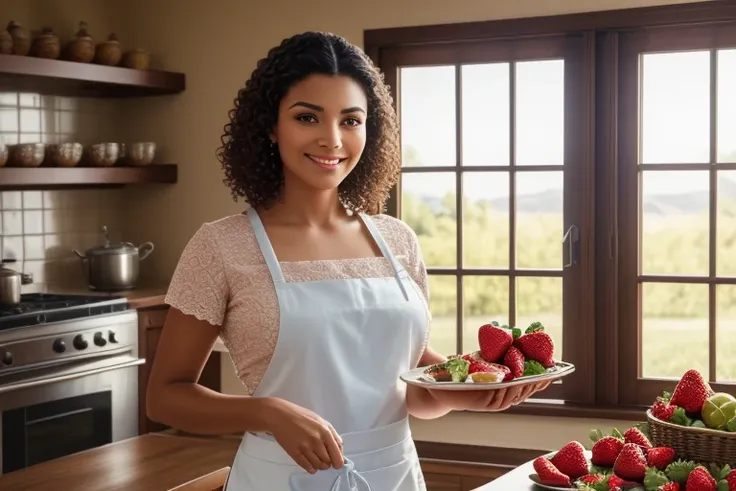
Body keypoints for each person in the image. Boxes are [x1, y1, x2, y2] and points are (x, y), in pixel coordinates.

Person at [146, 31, 551, 491]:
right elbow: (166, 397)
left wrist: (466, 393)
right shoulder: (221, 246)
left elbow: (412, 388)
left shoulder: (396, 240)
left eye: (351, 120)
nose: (332, 139)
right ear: (270, 126)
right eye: (307, 117)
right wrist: (265, 412)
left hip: (394, 476)